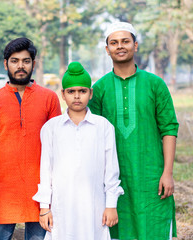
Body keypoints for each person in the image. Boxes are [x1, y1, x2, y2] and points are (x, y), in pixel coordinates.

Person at [88, 22, 179, 240]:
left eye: (125, 41)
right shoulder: (99, 89)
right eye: (114, 42)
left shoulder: (155, 84)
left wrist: (167, 172)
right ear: (107, 49)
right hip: (114, 178)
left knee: (153, 228)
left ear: (135, 45)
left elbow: (169, 129)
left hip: (151, 176)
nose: (120, 46)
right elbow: (92, 136)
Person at [0, 37, 61, 240]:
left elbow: (58, 142)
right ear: (6, 64)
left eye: (26, 61)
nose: (20, 66)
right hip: (4, 188)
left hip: (41, 188)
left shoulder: (49, 98)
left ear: (33, 63)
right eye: (14, 61)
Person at [32, 61, 124, 240]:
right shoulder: (51, 128)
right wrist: (44, 207)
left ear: (90, 94)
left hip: (94, 206)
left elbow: (111, 170)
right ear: (63, 95)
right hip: (61, 206)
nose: (76, 96)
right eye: (71, 91)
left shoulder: (103, 126)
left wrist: (111, 205)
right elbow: (45, 170)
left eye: (82, 91)